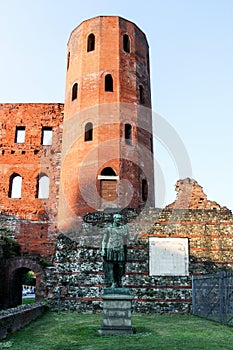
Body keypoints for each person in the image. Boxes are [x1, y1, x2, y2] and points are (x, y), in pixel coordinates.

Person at [101, 213, 138, 288]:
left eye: (120, 218)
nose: (119, 220)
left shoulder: (124, 228)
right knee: (111, 266)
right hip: (111, 248)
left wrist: (135, 237)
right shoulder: (109, 229)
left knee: (120, 266)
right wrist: (103, 250)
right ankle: (113, 282)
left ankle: (119, 280)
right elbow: (104, 241)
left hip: (120, 248)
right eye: (117, 218)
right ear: (114, 219)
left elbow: (130, 239)